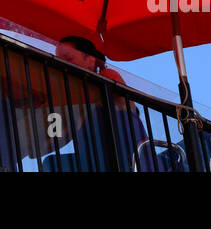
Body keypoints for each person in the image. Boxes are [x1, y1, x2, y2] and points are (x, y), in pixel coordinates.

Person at [49, 36, 162, 171]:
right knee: (52, 163)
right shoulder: (74, 101)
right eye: (58, 60)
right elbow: (55, 138)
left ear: (90, 59)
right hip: (100, 161)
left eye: (68, 59)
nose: (62, 65)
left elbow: (108, 94)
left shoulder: (108, 75)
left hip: (130, 160)